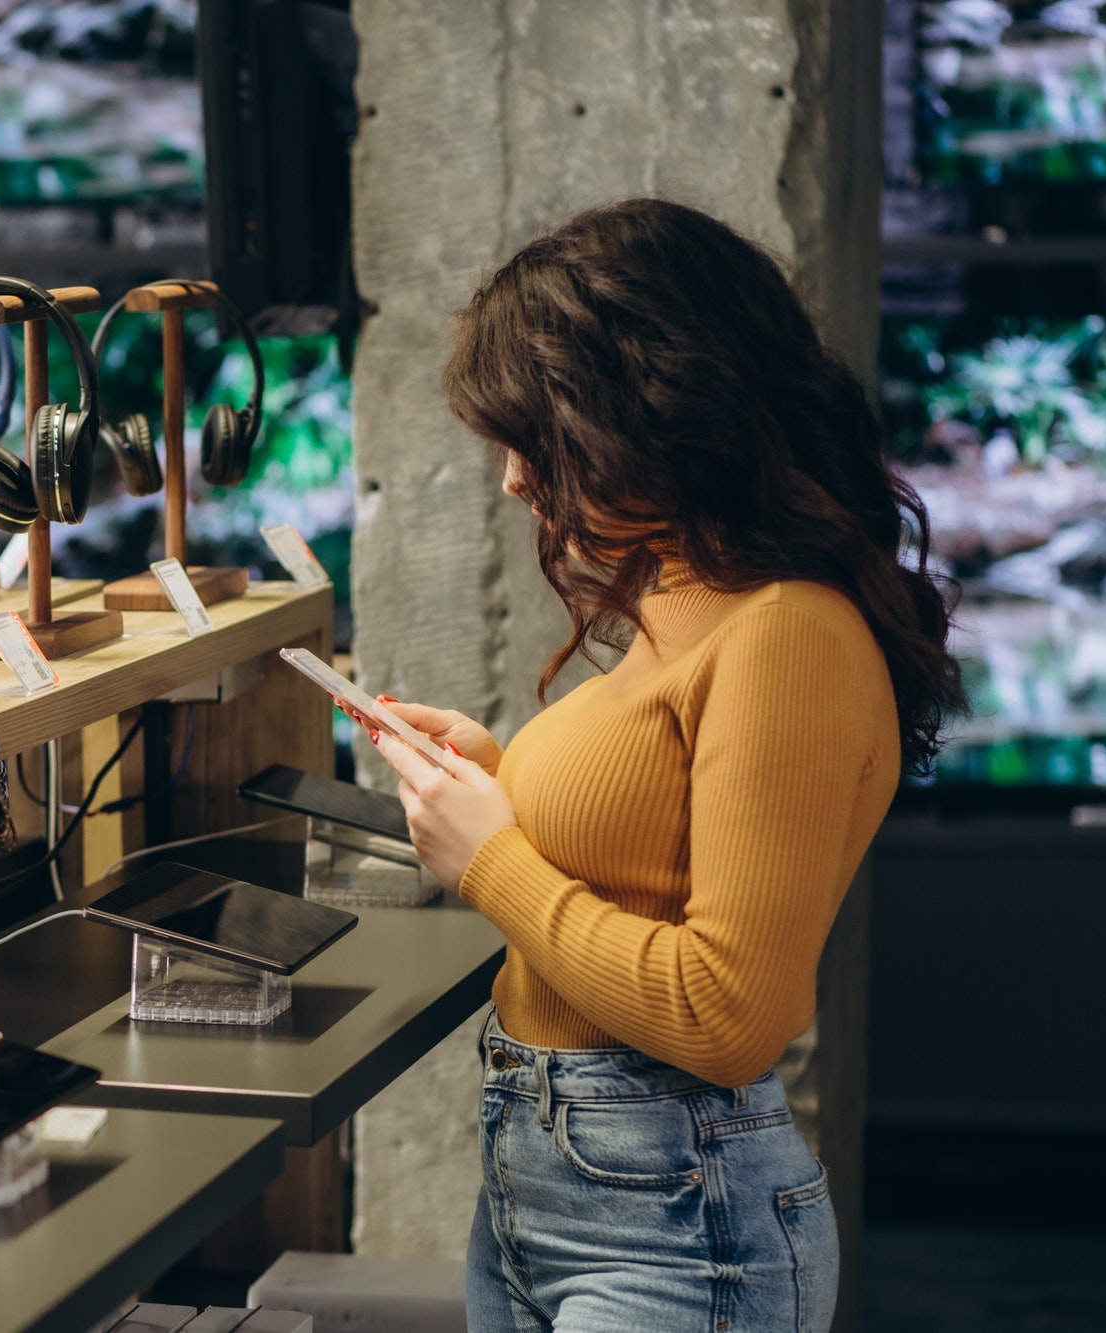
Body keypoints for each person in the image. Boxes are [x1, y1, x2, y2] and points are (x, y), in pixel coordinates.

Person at [365, 199, 962, 1333]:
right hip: (550, 1188)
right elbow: (648, 853)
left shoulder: (785, 631)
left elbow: (728, 1013)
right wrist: (498, 785)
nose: (512, 480)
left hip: (674, 1229)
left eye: (533, 436)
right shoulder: (686, 603)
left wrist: (490, 859)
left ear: (641, 414)